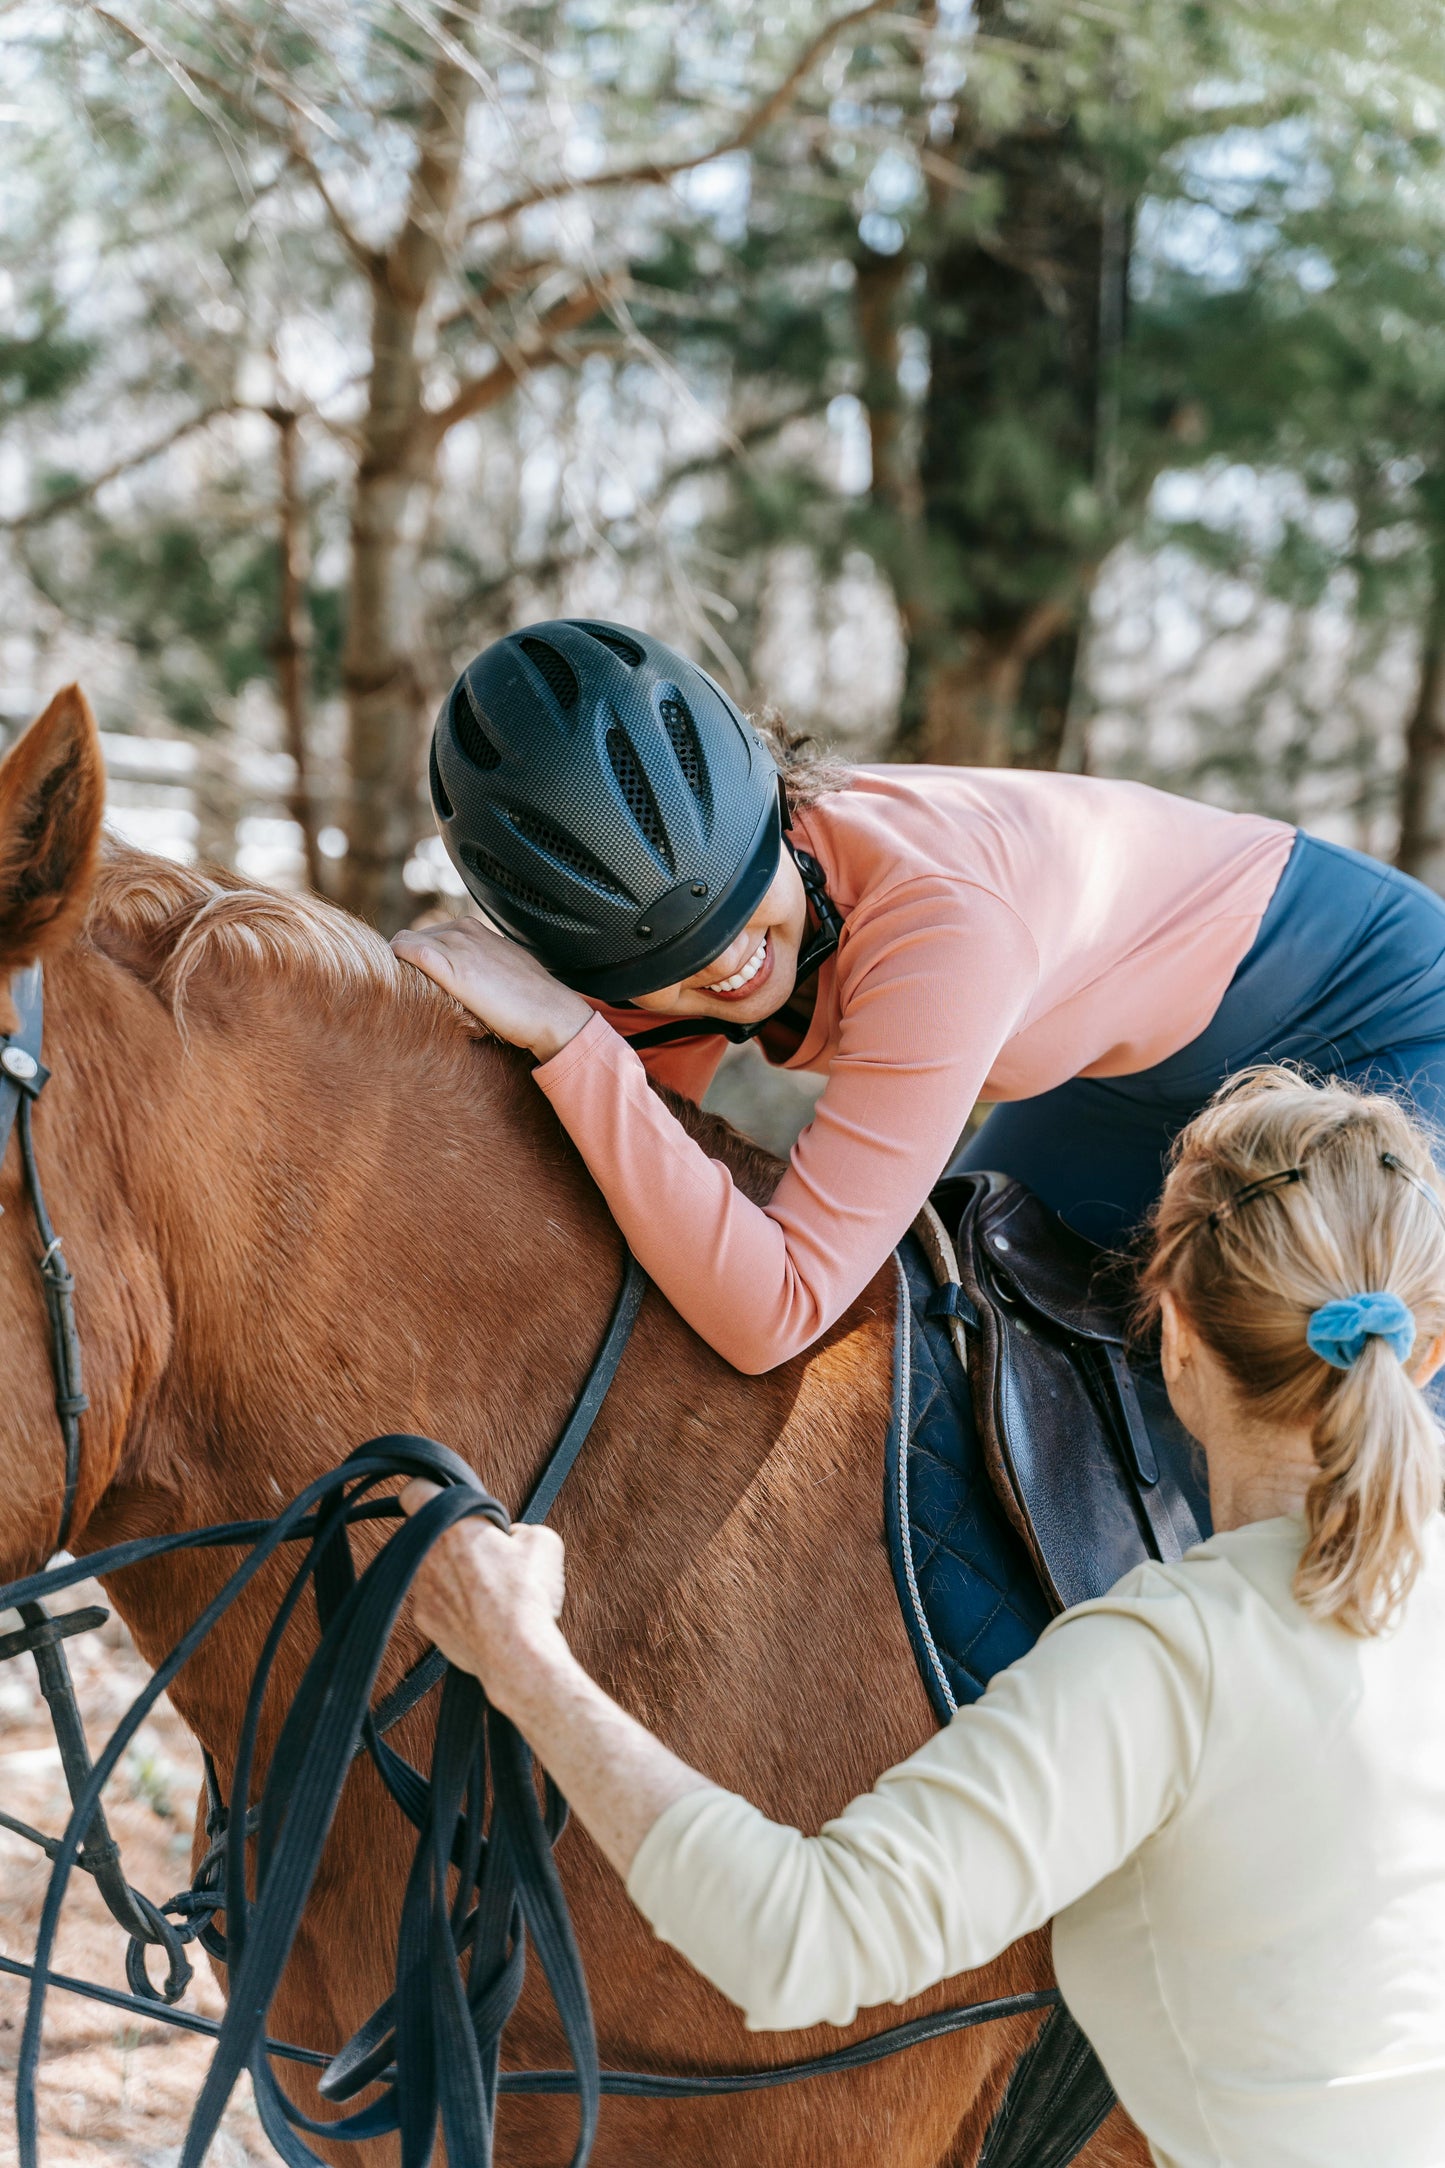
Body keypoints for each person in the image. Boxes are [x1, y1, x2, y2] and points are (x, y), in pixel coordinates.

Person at [402, 1069, 1445, 2168]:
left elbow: (799, 1940)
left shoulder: (1173, 1660)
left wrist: (518, 1654)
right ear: (1427, 1351)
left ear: (1173, 1333)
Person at [395, 618, 1445, 1373]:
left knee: (1342, 1416)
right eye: (670, 970)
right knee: (974, 1324)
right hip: (1128, 1074)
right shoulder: (636, 940)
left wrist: (573, 1040)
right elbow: (619, 1171)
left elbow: (776, 1311)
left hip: (1377, 1023)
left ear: (776, 810)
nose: (726, 970)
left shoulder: (940, 925)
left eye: (747, 910)